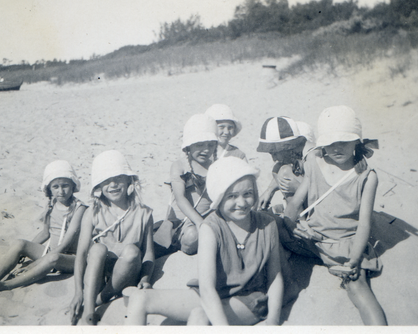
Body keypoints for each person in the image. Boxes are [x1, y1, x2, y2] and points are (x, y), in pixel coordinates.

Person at [125, 157, 284, 325]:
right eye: (232, 196)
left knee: (200, 316)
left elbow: (275, 277)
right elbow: (207, 289)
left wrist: (273, 320)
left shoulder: (267, 225)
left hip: (249, 299)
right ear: (219, 198)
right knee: (139, 298)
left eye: (248, 194)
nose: (241, 202)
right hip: (213, 293)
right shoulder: (210, 227)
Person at [280, 106, 386, 325]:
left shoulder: (367, 176)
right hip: (311, 238)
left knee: (358, 289)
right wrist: (292, 225)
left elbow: (364, 224)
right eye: (330, 142)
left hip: (343, 245)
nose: (336, 148)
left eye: (344, 141)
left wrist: (355, 260)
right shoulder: (314, 162)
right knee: (272, 227)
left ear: (357, 142)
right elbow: (296, 203)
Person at [0, 160, 87, 292]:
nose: (61, 191)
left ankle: (7, 285)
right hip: (50, 251)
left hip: (71, 258)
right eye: (55, 187)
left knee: (54, 258)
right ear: (49, 189)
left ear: (73, 186)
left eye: (65, 186)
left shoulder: (79, 209)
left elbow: (65, 245)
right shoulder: (51, 205)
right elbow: (45, 233)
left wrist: (35, 263)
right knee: (20, 243)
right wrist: (24, 251)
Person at [70, 150, 155, 325]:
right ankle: (89, 312)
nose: (113, 185)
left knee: (132, 251)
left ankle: (98, 300)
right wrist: (78, 292)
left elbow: (148, 253)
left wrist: (145, 278)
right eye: (106, 181)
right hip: (99, 275)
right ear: (99, 187)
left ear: (129, 181)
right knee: (98, 248)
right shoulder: (93, 212)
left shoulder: (143, 213)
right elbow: (81, 254)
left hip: (127, 274)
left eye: (118, 178)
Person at [164, 114, 218, 255]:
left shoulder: (216, 166)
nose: (206, 150)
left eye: (210, 145)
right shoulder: (180, 166)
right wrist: (200, 223)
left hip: (209, 215)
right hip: (185, 219)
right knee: (192, 237)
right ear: (188, 146)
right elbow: (180, 199)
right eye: (200, 145)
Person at [256, 116, 314, 212]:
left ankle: (297, 220)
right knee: (278, 168)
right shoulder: (297, 155)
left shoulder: (312, 156)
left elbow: (325, 193)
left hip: (320, 209)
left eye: (274, 153)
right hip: (306, 200)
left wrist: (297, 187)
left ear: (287, 147)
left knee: (284, 172)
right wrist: (269, 191)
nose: (274, 159)